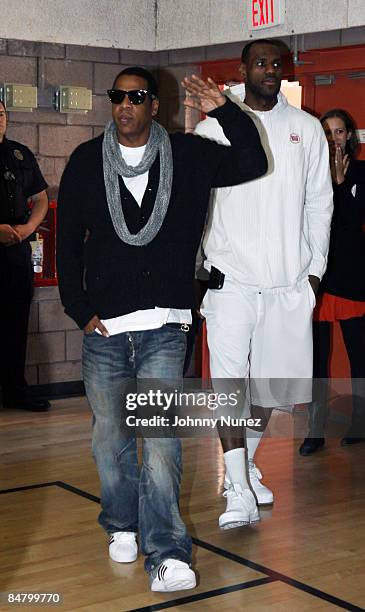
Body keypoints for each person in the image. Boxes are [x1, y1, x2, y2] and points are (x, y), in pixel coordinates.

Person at [56, 66, 267, 592]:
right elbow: (66, 242)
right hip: (104, 330)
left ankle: (168, 551)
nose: (125, 105)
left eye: (137, 97)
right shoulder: (86, 162)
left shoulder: (189, 155)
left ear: (156, 106)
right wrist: (78, 309)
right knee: (111, 440)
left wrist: (224, 109)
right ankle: (121, 523)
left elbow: (252, 159)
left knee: (162, 442)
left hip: (166, 328)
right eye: (118, 97)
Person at [195, 39, 333, 529]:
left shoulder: (307, 129)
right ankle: (237, 488)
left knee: (269, 391)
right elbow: (201, 203)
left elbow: (319, 204)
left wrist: (314, 273)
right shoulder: (213, 126)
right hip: (231, 281)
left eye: (278, 63)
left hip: (287, 284)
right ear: (243, 69)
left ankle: (245, 467)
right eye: (261, 62)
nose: (270, 70)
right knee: (230, 386)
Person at [299, 109, 365, 455]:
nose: (333, 138)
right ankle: (314, 431)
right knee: (316, 359)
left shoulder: (363, 173)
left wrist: (341, 188)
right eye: (326, 132)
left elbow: (350, 222)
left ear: (350, 137)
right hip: (317, 277)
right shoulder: (309, 174)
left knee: (360, 355)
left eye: (339, 132)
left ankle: (360, 422)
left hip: (353, 276)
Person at [0, 99, 50, 412]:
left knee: (16, 322)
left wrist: (29, 227)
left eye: (1, 114)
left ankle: (16, 391)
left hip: (16, 248)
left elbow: (41, 198)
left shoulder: (19, 153)